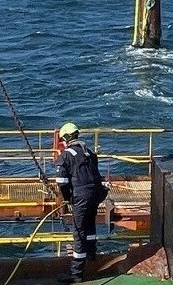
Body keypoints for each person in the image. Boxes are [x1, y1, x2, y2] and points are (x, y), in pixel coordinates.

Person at [54, 121, 107, 283]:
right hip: (95, 194)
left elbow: (62, 181)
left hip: (81, 197)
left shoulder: (66, 155)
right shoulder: (89, 153)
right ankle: (91, 255)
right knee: (90, 226)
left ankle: (76, 274)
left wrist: (67, 198)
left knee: (79, 233)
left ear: (65, 139)